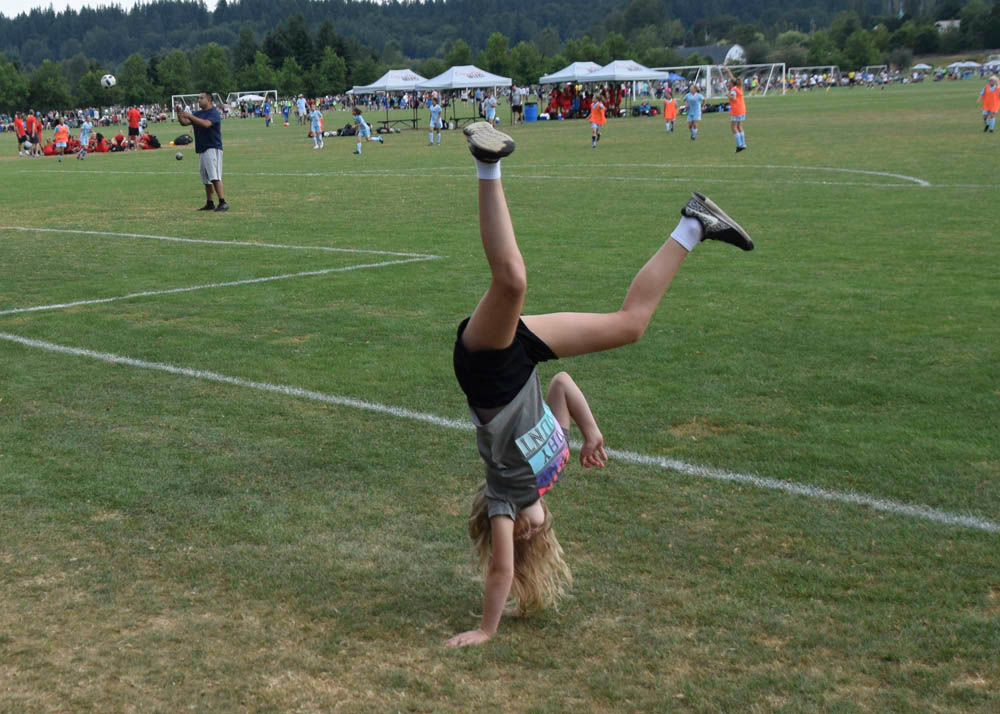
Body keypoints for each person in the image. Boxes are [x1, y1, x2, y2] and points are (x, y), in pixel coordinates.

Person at [445, 123, 754, 648]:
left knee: (512, 281)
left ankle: (486, 160)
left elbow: (499, 573)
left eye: (522, 537)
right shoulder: (549, 472)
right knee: (629, 325)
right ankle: (694, 225)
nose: (531, 531)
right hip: (522, 363)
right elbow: (562, 385)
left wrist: (484, 629)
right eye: (536, 536)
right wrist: (589, 432)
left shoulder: (506, 498)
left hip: (486, 373)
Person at [175, 90, 229, 212]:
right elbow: (184, 123)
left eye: (201, 98)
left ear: (209, 100)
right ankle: (210, 202)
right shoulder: (198, 113)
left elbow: (206, 124)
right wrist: (179, 113)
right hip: (202, 148)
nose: (199, 100)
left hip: (212, 147)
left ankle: (223, 202)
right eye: (199, 98)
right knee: (206, 178)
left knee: (214, 176)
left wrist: (190, 116)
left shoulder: (213, 113)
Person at [724, 68, 748, 152]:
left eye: (729, 82)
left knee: (733, 127)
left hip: (736, 110)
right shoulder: (739, 87)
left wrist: (728, 95)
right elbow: (733, 78)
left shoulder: (733, 90)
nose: (728, 83)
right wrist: (728, 70)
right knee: (739, 126)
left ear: (731, 84)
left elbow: (733, 98)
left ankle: (739, 145)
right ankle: (743, 144)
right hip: (742, 109)